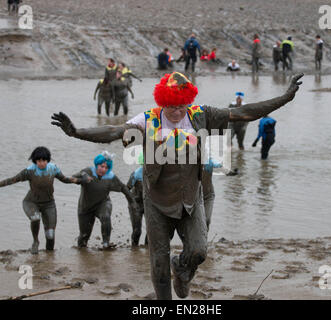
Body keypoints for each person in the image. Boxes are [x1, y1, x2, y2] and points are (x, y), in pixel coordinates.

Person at [51, 71, 304, 299]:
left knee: (198, 252)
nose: (177, 112)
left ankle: (182, 269)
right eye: (171, 106)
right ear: (162, 101)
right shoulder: (148, 119)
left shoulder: (199, 115)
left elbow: (242, 113)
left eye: (181, 106)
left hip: (190, 200)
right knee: (158, 265)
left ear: (188, 102)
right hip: (157, 201)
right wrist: (77, 132)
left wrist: (285, 98)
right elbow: (114, 131)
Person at [0, 147, 83, 254]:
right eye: (39, 161)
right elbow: (12, 180)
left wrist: (80, 181)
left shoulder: (53, 169)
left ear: (47, 160)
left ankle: (50, 256)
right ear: (35, 161)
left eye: (44, 160)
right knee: (35, 218)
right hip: (31, 202)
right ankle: (35, 241)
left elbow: (65, 179)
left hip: (49, 204)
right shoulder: (30, 171)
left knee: (50, 235)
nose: (41, 163)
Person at [73, 152, 136, 249]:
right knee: (84, 235)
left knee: (106, 216)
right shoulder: (88, 171)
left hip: (102, 203)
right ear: (96, 164)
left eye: (106, 168)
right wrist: (82, 176)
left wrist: (132, 202)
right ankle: (82, 252)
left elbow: (123, 188)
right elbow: (72, 177)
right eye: (101, 166)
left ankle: (106, 244)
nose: (103, 170)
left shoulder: (110, 177)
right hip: (85, 206)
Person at [127, 152, 147, 246]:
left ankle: (148, 247)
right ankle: (134, 249)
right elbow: (127, 189)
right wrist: (132, 202)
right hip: (136, 204)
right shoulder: (136, 174)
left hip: (148, 204)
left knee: (152, 230)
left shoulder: (155, 174)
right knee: (137, 230)